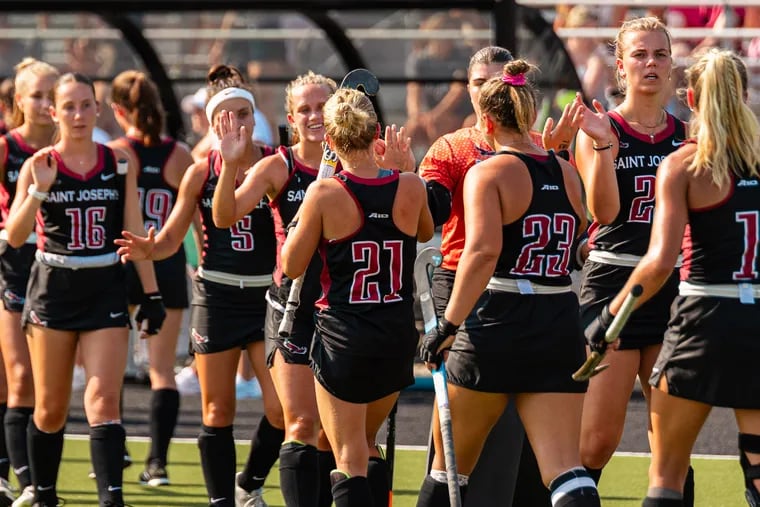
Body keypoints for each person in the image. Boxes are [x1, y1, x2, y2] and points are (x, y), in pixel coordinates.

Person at [212, 70, 413, 507]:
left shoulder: (359, 159)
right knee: (300, 424)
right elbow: (224, 217)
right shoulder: (277, 166)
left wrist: (399, 173)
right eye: (303, 108)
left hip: (348, 312)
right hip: (294, 308)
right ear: (290, 116)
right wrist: (229, 164)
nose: (313, 115)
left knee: (348, 438)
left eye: (321, 105)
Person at [583, 48, 760, 507]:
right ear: (744, 94)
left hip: (702, 318)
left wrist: (609, 317)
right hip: (755, 319)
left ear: (693, 97)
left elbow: (660, 261)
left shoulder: (683, 163)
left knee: (666, 473)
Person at [416, 59, 595, 507]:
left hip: (498, 321)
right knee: (566, 471)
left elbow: (481, 254)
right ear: (530, 115)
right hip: (558, 319)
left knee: (449, 469)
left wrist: (448, 326)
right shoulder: (566, 170)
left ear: (489, 120)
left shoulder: (488, 172)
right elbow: (580, 238)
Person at [115, 63, 284, 507]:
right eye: (225, 118)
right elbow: (172, 238)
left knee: (281, 409)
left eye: (242, 115)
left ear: (254, 117)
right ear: (212, 124)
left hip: (268, 298)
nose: (236, 125)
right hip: (219, 296)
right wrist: (150, 248)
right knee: (217, 411)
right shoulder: (198, 170)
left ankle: (248, 481)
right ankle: (220, 501)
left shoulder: (276, 164)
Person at [3, 71, 165, 507]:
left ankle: (112, 499)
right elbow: (16, 236)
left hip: (105, 287)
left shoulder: (117, 162)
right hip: (53, 288)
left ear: (98, 108)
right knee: (51, 409)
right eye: (68, 106)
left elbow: (133, 230)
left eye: (86, 104)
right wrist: (38, 189)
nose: (78, 114)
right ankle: (46, 495)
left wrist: (150, 295)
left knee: (103, 400)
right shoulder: (41, 163)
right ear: (53, 112)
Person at [282, 86, 433, 506]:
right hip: (395, 336)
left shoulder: (324, 193)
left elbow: (291, 265)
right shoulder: (411, 185)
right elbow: (423, 231)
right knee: (366, 445)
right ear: (375, 134)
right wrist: (405, 169)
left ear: (329, 140)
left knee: (347, 456)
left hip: (344, 339)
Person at [570, 17, 692, 500]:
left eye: (660, 54)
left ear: (672, 65)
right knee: (595, 441)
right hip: (614, 287)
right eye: (639, 55)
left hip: (674, 292)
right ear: (620, 66)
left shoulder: (688, 135)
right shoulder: (603, 127)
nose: (651, 63)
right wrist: (602, 145)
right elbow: (604, 212)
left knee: (672, 445)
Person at [107, 69, 195, 487]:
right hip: (167, 264)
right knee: (161, 370)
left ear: (117, 109)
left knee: (109, 366)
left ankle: (114, 447)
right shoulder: (179, 155)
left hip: (121, 262)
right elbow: (195, 218)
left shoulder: (114, 153)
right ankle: (156, 463)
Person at [0, 57, 58, 507]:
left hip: (58, 275)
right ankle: (26, 483)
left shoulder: (72, 149)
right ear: (19, 102)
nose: (44, 104)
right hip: (12, 266)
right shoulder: (6, 148)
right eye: (35, 96)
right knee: (16, 378)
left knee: (44, 386)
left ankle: (30, 480)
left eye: (49, 95)